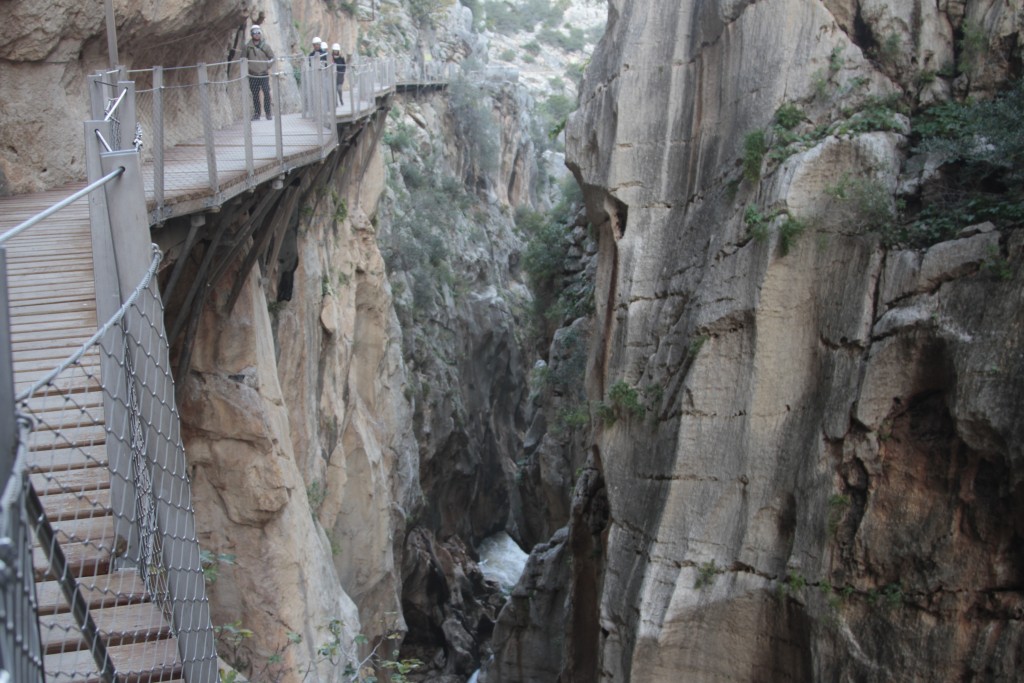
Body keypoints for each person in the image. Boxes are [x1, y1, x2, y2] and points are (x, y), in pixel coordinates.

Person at [246, 25, 275, 120]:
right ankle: (257, 113)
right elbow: (243, 60)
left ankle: (268, 112)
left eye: (258, 32)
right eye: (254, 32)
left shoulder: (265, 46)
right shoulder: (247, 47)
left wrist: (267, 66)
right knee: (255, 94)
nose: (257, 34)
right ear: (251, 34)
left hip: (263, 74)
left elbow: (272, 58)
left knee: (266, 92)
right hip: (253, 74)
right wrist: (248, 69)